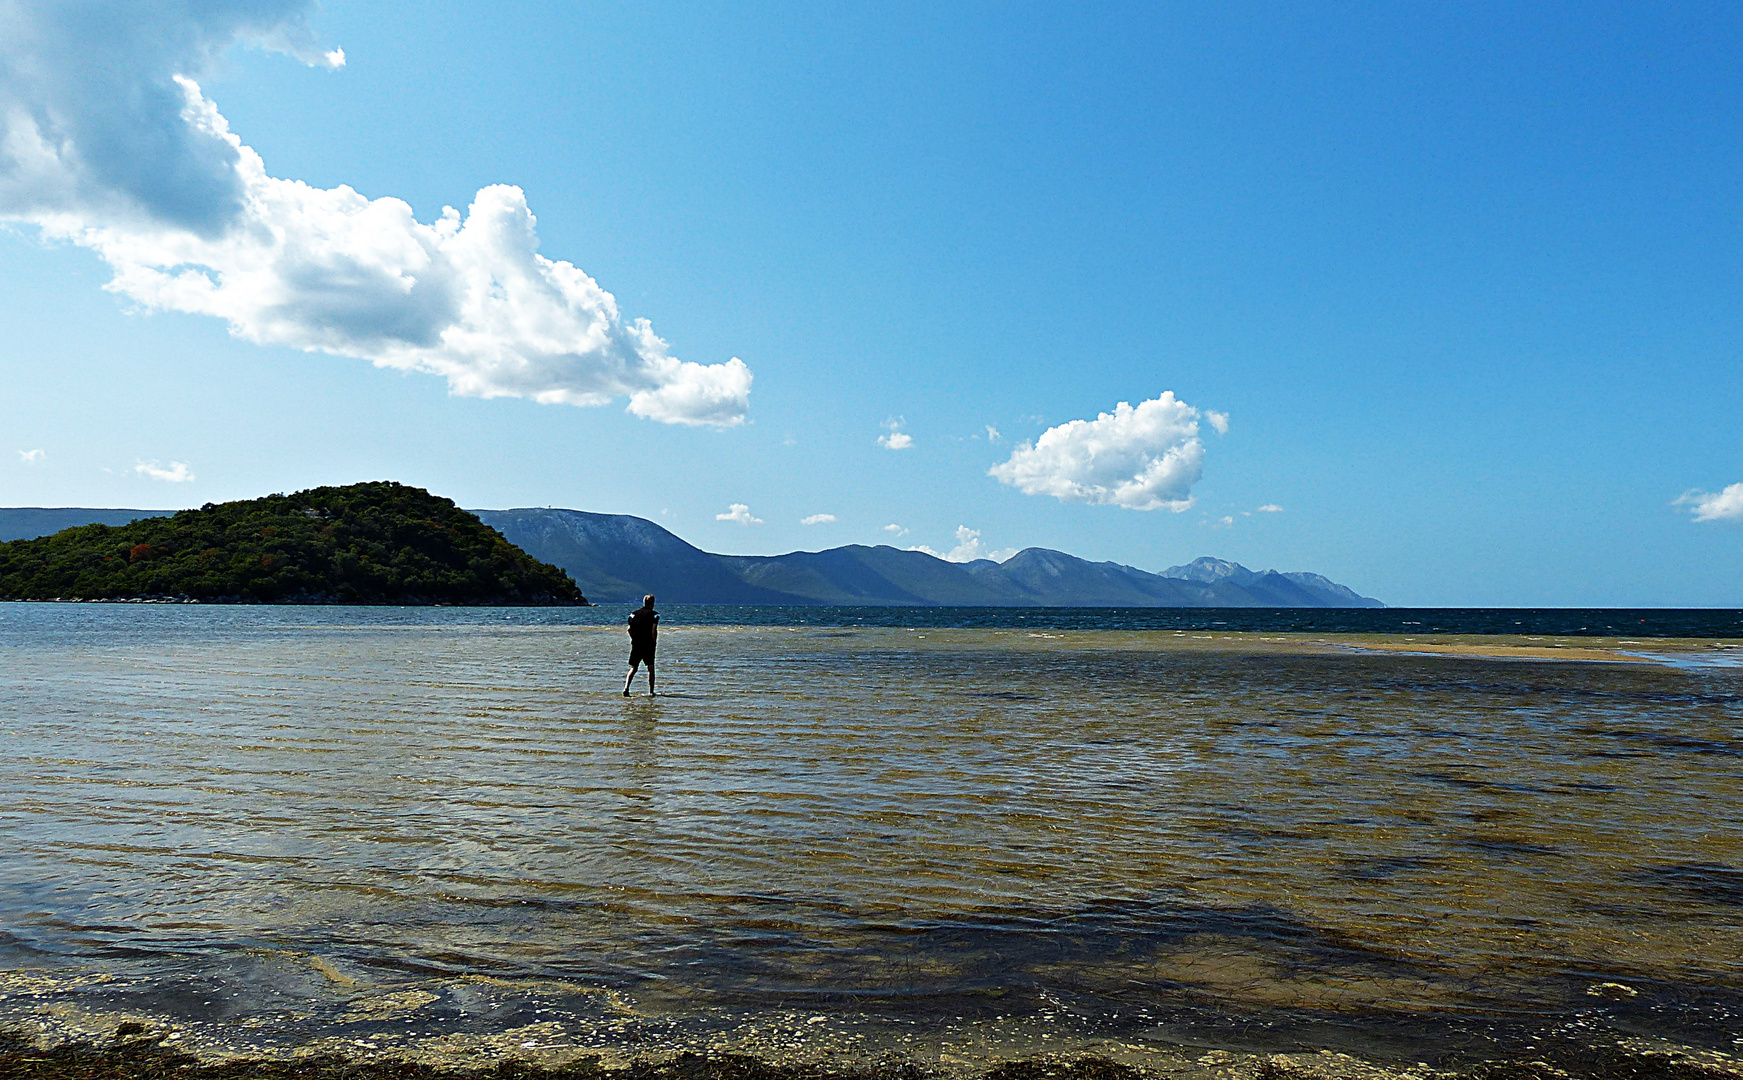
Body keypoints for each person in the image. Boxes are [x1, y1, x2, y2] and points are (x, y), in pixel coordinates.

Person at [623, 594, 659, 696]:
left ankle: (626, 688)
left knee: (634, 668)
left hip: (637, 644)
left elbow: (629, 629)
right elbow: (654, 631)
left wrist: (634, 639)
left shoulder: (634, 615)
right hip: (648, 645)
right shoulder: (654, 615)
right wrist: (654, 642)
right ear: (652, 603)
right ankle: (651, 691)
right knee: (651, 668)